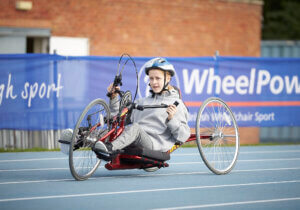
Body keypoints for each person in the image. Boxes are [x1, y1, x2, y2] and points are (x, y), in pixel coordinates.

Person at [93, 57, 190, 157]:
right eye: (151, 78)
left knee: (135, 128)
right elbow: (117, 118)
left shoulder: (176, 104)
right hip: (133, 138)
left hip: (154, 144)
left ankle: (110, 149)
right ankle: (79, 139)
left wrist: (171, 119)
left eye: (158, 78)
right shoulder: (142, 101)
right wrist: (113, 97)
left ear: (168, 78)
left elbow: (183, 136)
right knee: (107, 131)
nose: (154, 82)